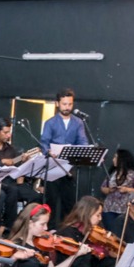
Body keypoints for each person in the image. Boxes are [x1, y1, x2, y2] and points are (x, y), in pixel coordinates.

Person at [39, 88, 89, 218]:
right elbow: (44, 142)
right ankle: (49, 230)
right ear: (57, 104)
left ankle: (65, 233)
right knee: (51, 203)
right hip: (53, 168)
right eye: (64, 104)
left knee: (69, 204)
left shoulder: (78, 122)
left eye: (70, 104)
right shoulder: (50, 123)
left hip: (69, 168)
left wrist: (80, 150)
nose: (67, 107)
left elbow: (83, 141)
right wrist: (48, 151)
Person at [0, 117, 40, 234]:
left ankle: (20, 224)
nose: (8, 135)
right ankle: (6, 226)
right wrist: (1, 162)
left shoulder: (11, 149)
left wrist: (24, 161)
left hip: (11, 181)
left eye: (9, 132)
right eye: (5, 132)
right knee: (12, 191)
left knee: (35, 196)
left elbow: (18, 168)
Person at [100, 149, 134, 230]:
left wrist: (127, 189)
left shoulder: (132, 175)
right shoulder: (112, 173)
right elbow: (103, 188)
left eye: (115, 157)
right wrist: (109, 190)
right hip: (109, 208)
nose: (113, 159)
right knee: (110, 230)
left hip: (124, 210)